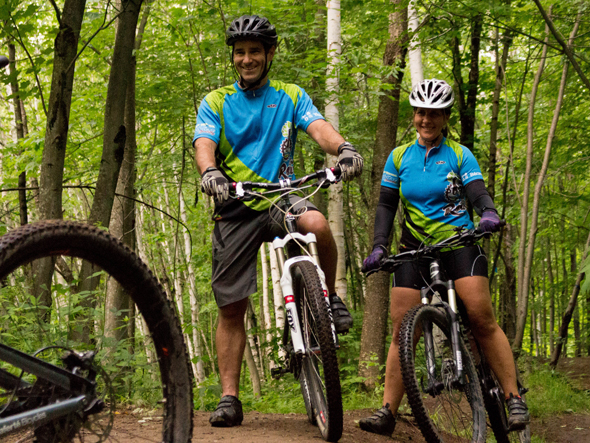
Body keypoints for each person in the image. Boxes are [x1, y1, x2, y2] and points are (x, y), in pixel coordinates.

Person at [193, 15, 363, 428]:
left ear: (270, 54)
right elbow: (204, 141)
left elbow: (317, 127)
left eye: (254, 51)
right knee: (231, 305)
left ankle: (328, 300)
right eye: (240, 52)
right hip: (236, 202)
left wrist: (343, 148)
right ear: (233, 57)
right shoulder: (216, 101)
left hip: (281, 196)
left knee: (319, 225)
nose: (246, 59)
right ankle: (230, 398)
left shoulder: (290, 94)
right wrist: (210, 171)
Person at [359, 79, 529, 437]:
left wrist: (488, 213)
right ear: (414, 115)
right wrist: (378, 246)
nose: (426, 120)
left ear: (445, 117)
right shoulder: (399, 157)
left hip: (459, 242)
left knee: (481, 318)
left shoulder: (459, 154)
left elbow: (476, 191)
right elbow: (387, 206)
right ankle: (388, 410)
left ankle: (514, 397)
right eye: (421, 112)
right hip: (414, 247)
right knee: (403, 329)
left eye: (434, 114)